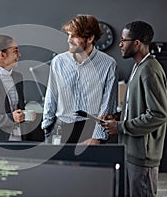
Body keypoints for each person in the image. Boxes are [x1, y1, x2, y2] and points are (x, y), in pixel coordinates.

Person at [101, 21, 167, 197]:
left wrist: (120, 127)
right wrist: (117, 117)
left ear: (137, 43)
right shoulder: (138, 67)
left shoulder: (149, 70)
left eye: (124, 40)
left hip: (142, 159)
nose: (120, 44)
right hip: (131, 154)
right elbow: (139, 109)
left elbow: (159, 114)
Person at [42, 14, 118, 144]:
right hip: (60, 128)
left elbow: (108, 105)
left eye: (74, 36)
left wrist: (97, 138)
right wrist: (47, 127)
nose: (69, 40)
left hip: (91, 131)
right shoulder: (58, 62)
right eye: (69, 35)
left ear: (90, 38)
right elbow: (51, 96)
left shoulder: (108, 64)